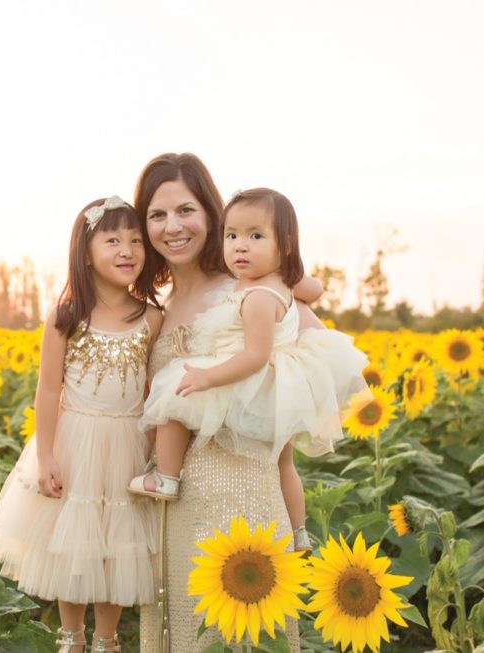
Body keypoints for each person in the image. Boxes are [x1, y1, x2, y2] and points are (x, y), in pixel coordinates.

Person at [132, 154, 339, 652]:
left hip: (242, 493)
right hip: (171, 506)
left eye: (186, 210)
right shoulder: (154, 312)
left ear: (212, 214)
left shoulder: (251, 290)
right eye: (156, 216)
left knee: (239, 637)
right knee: (180, 628)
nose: (172, 226)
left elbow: (315, 363)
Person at [129, 188, 368, 555]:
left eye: (255, 236)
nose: (241, 246)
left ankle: (166, 477)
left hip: (244, 376)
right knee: (285, 460)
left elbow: (255, 355)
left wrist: (207, 377)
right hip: (271, 384)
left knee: (174, 397)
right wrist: (300, 280)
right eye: (233, 236)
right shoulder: (276, 283)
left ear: (284, 245)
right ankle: (300, 531)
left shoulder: (256, 296)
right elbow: (312, 288)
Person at [0, 196, 162, 653]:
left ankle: (107, 640)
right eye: (113, 240)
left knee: (115, 544)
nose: (127, 250)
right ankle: (72, 637)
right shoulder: (66, 316)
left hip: (127, 440)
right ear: (85, 252)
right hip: (74, 439)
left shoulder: (152, 317)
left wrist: (157, 454)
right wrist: (45, 454)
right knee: (72, 539)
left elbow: (152, 391)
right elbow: (48, 389)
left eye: (136, 240)